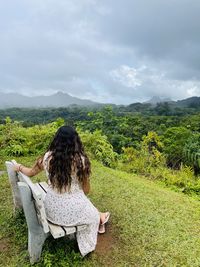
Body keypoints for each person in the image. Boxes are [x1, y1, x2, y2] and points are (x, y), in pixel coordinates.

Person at [13, 125, 110, 257]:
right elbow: (86, 190)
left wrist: (19, 167)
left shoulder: (47, 158)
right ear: (76, 141)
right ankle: (97, 225)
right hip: (71, 213)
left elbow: (30, 172)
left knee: (86, 205)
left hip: (50, 211)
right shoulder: (81, 161)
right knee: (92, 215)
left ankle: (100, 215)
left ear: (56, 140)